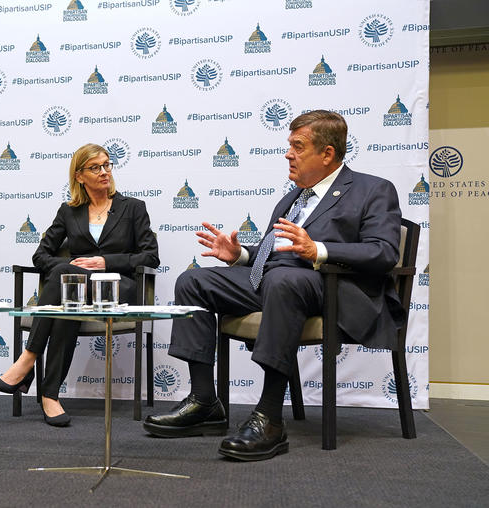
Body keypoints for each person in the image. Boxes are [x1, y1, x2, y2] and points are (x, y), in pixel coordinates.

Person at [143, 110, 404, 461]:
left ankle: (269, 417)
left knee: (284, 281)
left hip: (333, 288)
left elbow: (384, 251)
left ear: (327, 154)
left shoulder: (373, 189)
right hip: (277, 279)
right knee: (194, 281)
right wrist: (240, 255)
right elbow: (277, 254)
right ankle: (205, 401)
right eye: (289, 145)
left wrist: (319, 250)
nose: (288, 154)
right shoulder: (293, 196)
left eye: (297, 146)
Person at [0, 143, 159, 426]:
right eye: (95, 167)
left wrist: (104, 262)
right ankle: (50, 396)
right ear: (80, 176)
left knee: (67, 282)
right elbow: (40, 256)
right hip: (77, 294)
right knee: (68, 300)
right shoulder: (69, 212)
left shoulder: (133, 208)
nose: (104, 172)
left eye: (107, 165)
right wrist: (73, 266)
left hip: (119, 289)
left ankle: (27, 361)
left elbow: (150, 256)